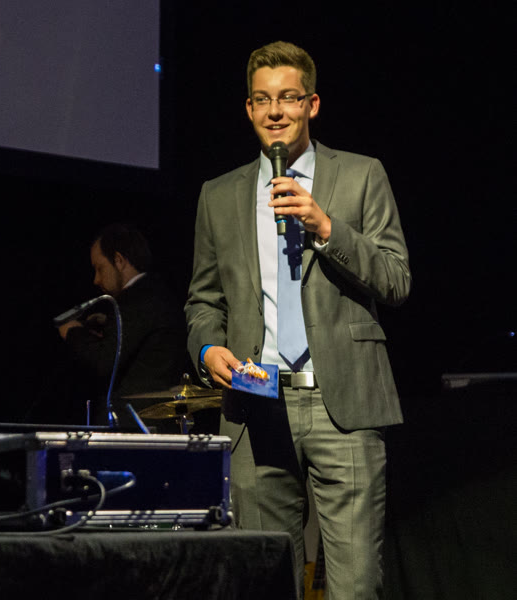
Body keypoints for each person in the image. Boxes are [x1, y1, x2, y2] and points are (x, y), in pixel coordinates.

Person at [185, 41, 410, 599]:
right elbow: (203, 302)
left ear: (312, 104)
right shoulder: (218, 195)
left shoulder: (360, 175)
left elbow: (395, 279)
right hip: (256, 401)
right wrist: (208, 348)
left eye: (288, 97)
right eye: (262, 100)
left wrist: (327, 227)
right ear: (248, 109)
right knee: (265, 582)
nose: (275, 111)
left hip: (344, 404)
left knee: (356, 585)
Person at [57, 223, 188, 427]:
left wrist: (72, 331)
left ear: (119, 260)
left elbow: (104, 360)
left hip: (137, 427)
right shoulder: (155, 294)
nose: (96, 279)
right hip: (152, 422)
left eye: (100, 268)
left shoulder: (138, 299)